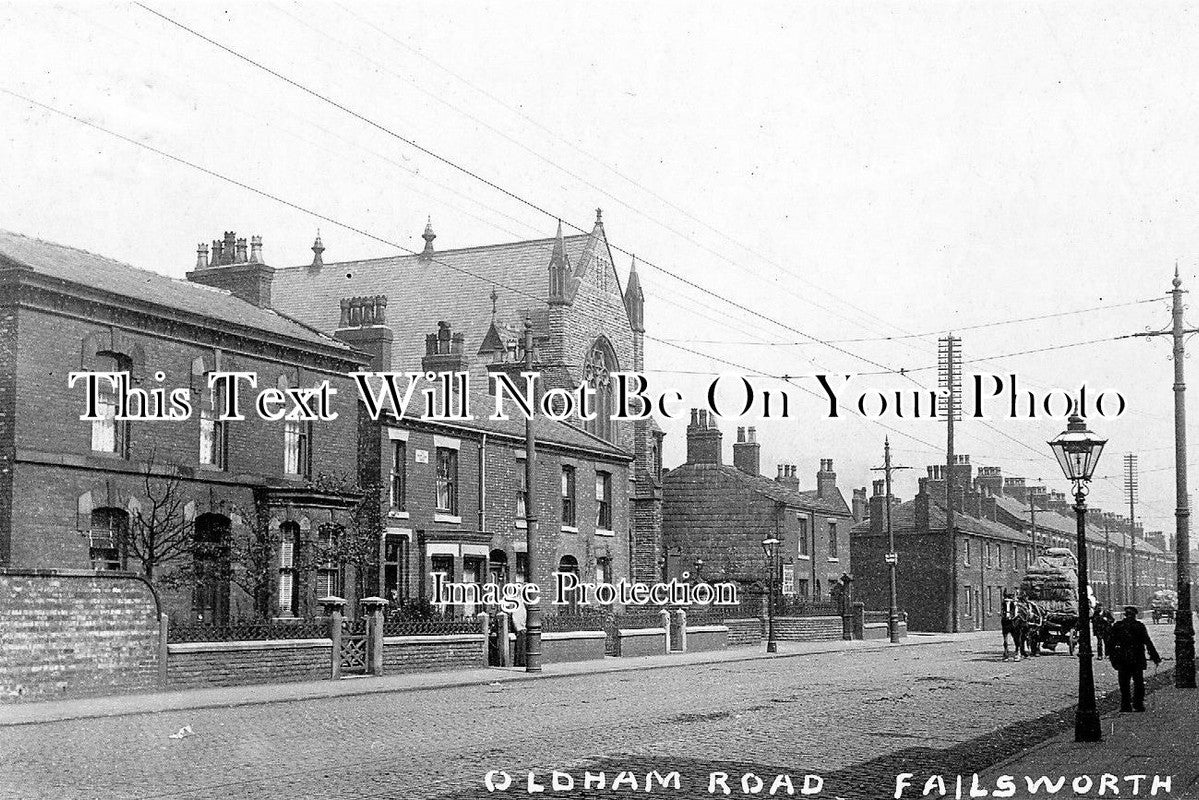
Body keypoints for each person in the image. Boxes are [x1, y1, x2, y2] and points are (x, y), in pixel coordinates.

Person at [1108, 605, 1161, 712]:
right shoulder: (1139, 626)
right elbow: (1147, 642)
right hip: (1137, 658)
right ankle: (1138, 704)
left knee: (1124, 683)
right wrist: (1155, 657)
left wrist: (1113, 658)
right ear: (1135, 615)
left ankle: (1125, 704)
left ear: (1125, 615)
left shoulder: (1118, 626)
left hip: (1123, 659)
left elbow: (1110, 643)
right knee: (1138, 682)